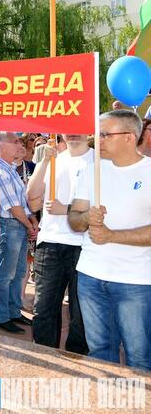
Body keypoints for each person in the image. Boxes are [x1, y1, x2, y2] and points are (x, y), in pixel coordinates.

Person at [69, 110, 151, 370]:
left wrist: (111, 236)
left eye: (105, 135)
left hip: (135, 280)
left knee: (139, 355)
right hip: (91, 276)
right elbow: (73, 219)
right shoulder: (92, 171)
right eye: (97, 134)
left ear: (129, 137)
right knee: (100, 352)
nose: (98, 140)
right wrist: (86, 218)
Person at [26, 134, 92, 354]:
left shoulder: (99, 161)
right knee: (43, 310)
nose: (72, 132)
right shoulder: (54, 159)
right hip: (50, 244)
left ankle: (76, 359)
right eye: (67, 128)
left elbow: (104, 205)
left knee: (80, 314)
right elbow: (32, 198)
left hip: (85, 246)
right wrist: (44, 161)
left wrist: (67, 209)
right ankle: (46, 359)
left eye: (77, 127)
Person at [0, 132, 38, 333]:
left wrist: (32, 219)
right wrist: (29, 225)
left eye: (20, 141)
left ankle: (13, 312)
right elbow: (12, 206)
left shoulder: (10, 169)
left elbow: (22, 202)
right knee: (6, 274)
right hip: (9, 225)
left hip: (17, 225)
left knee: (18, 272)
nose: (19, 144)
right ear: (1, 145)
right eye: (15, 141)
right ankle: (2, 316)